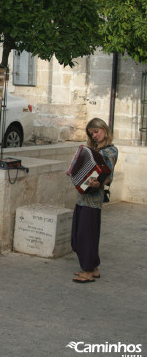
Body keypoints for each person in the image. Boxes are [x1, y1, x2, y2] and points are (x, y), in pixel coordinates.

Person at [71, 118, 118, 283]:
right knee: (77, 236)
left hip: (93, 200)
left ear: (104, 130)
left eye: (96, 132)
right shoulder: (92, 149)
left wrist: (99, 182)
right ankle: (94, 268)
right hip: (82, 197)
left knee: (87, 236)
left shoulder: (110, 151)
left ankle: (89, 272)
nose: (94, 136)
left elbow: (108, 175)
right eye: (92, 133)